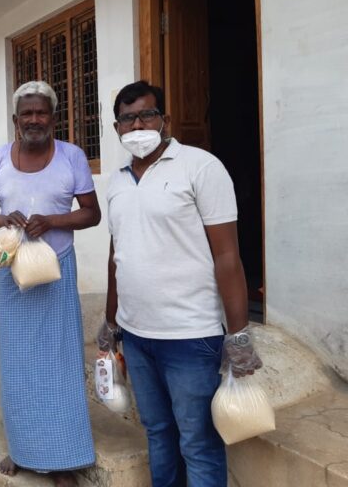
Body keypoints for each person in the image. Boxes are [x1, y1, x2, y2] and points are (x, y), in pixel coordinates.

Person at [99, 81, 263, 487]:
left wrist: (238, 333)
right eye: (128, 118)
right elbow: (117, 255)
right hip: (137, 336)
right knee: (158, 433)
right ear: (117, 127)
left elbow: (227, 256)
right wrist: (110, 322)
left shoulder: (201, 167)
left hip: (191, 336)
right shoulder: (117, 182)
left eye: (147, 115)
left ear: (165, 120)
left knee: (198, 442)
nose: (138, 125)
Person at [0, 81, 101, 487]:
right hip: (12, 273)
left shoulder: (72, 157)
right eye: (26, 114)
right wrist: (3, 218)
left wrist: (54, 221)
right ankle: (24, 449)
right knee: (17, 363)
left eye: (41, 112)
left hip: (57, 270)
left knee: (60, 362)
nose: (34, 120)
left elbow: (92, 213)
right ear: (16, 120)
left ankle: (63, 461)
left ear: (52, 117)